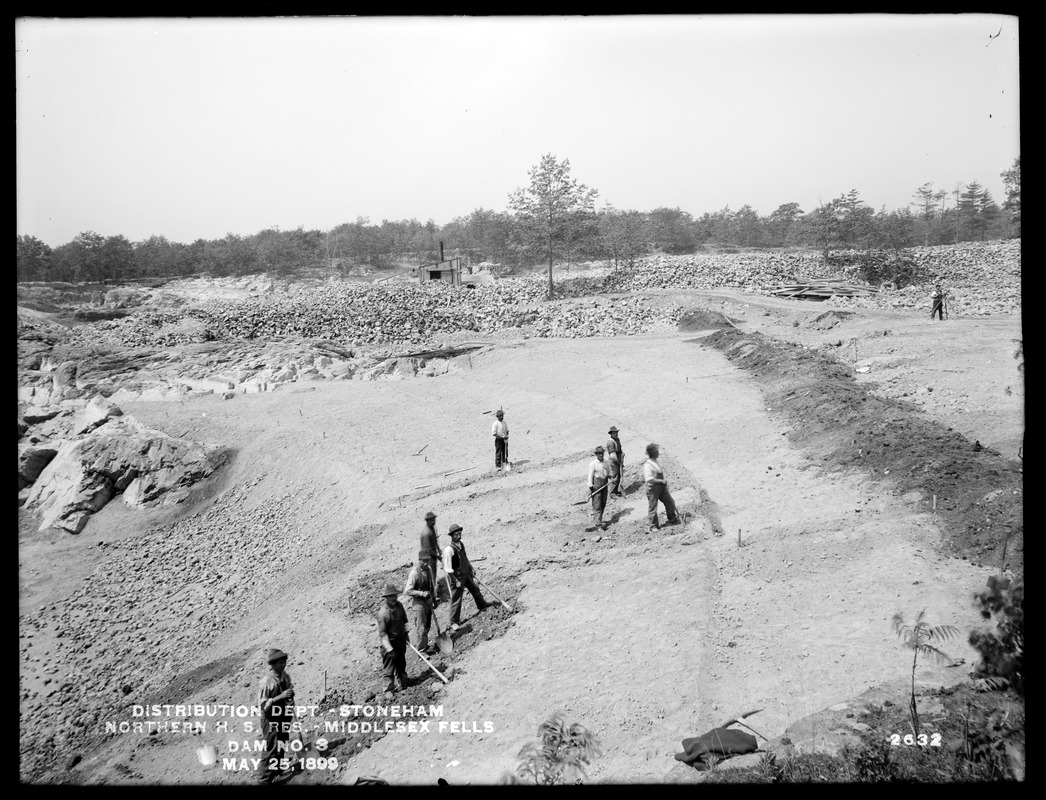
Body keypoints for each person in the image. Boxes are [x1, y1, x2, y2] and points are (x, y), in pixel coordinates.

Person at [257, 648, 295, 784]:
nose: (283, 665)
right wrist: (281, 696)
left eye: (284, 662)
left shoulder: (285, 677)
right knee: (271, 748)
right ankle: (264, 780)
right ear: (272, 665)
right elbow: (263, 705)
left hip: (283, 716)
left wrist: (290, 699)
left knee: (283, 742)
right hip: (270, 719)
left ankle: (278, 771)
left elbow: (289, 693)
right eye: (279, 663)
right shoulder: (266, 682)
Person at [442, 524, 489, 630]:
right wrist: (456, 581)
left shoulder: (461, 544)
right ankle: (454, 622)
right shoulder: (449, 550)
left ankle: (482, 605)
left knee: (475, 589)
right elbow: (448, 570)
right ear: (451, 536)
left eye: (459, 534)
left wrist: (471, 568)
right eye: (456, 535)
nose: (459, 536)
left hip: (466, 573)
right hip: (457, 577)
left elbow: (465, 557)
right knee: (457, 599)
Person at [376, 582, 410, 700]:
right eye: (390, 596)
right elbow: (383, 634)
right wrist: (389, 649)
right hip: (389, 644)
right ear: (386, 598)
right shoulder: (383, 613)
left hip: (400, 641)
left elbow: (405, 621)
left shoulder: (399, 606)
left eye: (394, 596)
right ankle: (388, 690)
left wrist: (406, 634)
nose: (393, 598)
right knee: (389, 669)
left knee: (401, 664)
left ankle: (403, 682)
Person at [643, 443, 680, 532]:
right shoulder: (648, 465)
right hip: (652, 489)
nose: (658, 453)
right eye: (657, 451)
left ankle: (672, 518)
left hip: (661, 487)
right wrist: (660, 481)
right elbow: (649, 479)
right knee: (653, 507)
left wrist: (663, 483)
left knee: (670, 502)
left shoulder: (656, 461)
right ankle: (653, 526)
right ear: (653, 453)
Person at [403, 557, 437, 656]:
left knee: (427, 626)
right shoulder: (414, 573)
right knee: (421, 627)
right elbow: (408, 590)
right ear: (419, 560)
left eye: (427, 561)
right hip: (419, 604)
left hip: (428, 602)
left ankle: (425, 646)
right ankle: (421, 651)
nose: (426, 563)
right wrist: (421, 593)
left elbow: (431, 585)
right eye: (424, 561)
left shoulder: (429, 569)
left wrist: (434, 598)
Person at [419, 511, 443, 605]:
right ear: (427, 521)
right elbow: (428, 550)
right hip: (427, 558)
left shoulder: (432, 528)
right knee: (430, 578)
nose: (434, 521)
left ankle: (433, 596)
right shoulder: (426, 533)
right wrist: (438, 556)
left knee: (433, 576)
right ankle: (432, 599)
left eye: (434, 519)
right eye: (432, 519)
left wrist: (438, 549)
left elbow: (435, 540)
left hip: (433, 555)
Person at [587, 446, 611, 530]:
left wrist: (612, 477)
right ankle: (598, 525)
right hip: (596, 487)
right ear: (596, 454)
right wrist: (590, 488)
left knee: (603, 504)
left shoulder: (606, 462)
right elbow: (590, 477)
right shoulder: (593, 464)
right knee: (597, 505)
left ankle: (599, 520)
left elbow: (609, 473)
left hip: (605, 485)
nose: (600, 455)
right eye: (599, 453)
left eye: (602, 453)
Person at [606, 426, 624, 497]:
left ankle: (616, 491)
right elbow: (613, 456)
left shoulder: (617, 439)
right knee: (615, 476)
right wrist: (619, 463)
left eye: (616, 433)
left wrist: (622, 454)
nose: (616, 434)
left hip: (618, 459)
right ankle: (612, 493)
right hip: (614, 461)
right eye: (614, 433)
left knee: (619, 476)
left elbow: (620, 449)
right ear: (611, 434)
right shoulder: (610, 442)